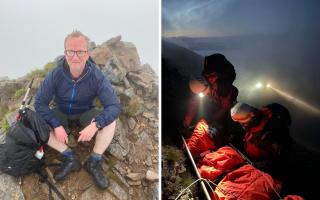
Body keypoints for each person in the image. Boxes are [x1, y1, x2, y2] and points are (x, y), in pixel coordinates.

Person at [34, 30, 121, 189]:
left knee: (110, 122)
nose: (75, 57)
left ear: (87, 54)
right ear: (65, 53)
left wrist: (96, 124)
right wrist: (56, 125)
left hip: (85, 112)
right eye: (70, 51)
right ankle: (69, 157)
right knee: (36, 123)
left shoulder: (96, 76)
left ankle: (94, 161)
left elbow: (114, 106)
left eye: (80, 52)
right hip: (60, 112)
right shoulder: (55, 74)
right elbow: (39, 102)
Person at [185, 54, 243, 157]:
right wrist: (187, 121)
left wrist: (211, 123)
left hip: (225, 103)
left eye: (205, 92)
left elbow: (224, 108)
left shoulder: (224, 89)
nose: (205, 94)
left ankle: (229, 138)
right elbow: (194, 102)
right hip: (216, 97)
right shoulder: (201, 82)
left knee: (221, 122)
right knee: (206, 110)